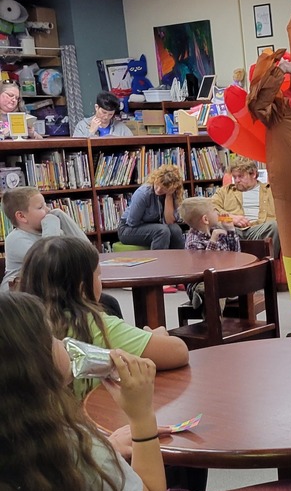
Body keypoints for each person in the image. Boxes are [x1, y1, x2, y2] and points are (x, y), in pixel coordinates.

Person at [0, 291, 291, 491]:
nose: (63, 342)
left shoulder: (28, 439)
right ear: (32, 364)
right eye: (51, 339)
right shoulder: (69, 445)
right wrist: (141, 417)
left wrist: (105, 448)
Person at [18, 236, 189, 398]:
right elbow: (178, 352)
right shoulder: (94, 324)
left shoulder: (22, 326)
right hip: (97, 419)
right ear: (83, 288)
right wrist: (157, 336)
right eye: (98, 275)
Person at [0, 186, 122, 319]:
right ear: (21, 216)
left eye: (46, 205)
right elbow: (50, 259)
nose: (47, 211)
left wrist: (62, 216)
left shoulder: (51, 232)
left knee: (110, 303)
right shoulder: (15, 239)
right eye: (40, 208)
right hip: (24, 299)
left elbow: (88, 253)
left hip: (53, 292)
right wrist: (51, 223)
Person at [178, 196, 239, 309]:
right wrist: (213, 241)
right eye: (214, 210)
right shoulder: (193, 241)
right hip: (201, 280)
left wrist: (230, 231)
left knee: (228, 284)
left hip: (221, 277)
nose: (217, 213)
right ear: (206, 219)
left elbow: (235, 255)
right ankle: (212, 320)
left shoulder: (217, 231)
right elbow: (205, 265)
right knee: (212, 288)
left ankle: (224, 294)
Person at [211, 156, 280, 255]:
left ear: (254, 174)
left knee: (275, 226)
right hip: (234, 231)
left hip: (259, 230)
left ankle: (266, 263)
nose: (237, 180)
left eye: (241, 176)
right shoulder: (224, 192)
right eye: (234, 177)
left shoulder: (270, 190)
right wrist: (230, 218)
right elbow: (209, 214)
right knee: (216, 225)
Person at [119, 163, 185, 251]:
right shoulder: (143, 193)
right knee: (162, 231)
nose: (158, 190)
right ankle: (158, 263)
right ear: (155, 178)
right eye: (157, 185)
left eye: (163, 189)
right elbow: (132, 222)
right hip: (128, 229)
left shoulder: (171, 194)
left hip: (155, 226)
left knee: (175, 230)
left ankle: (178, 262)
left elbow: (169, 222)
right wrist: (154, 227)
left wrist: (168, 196)